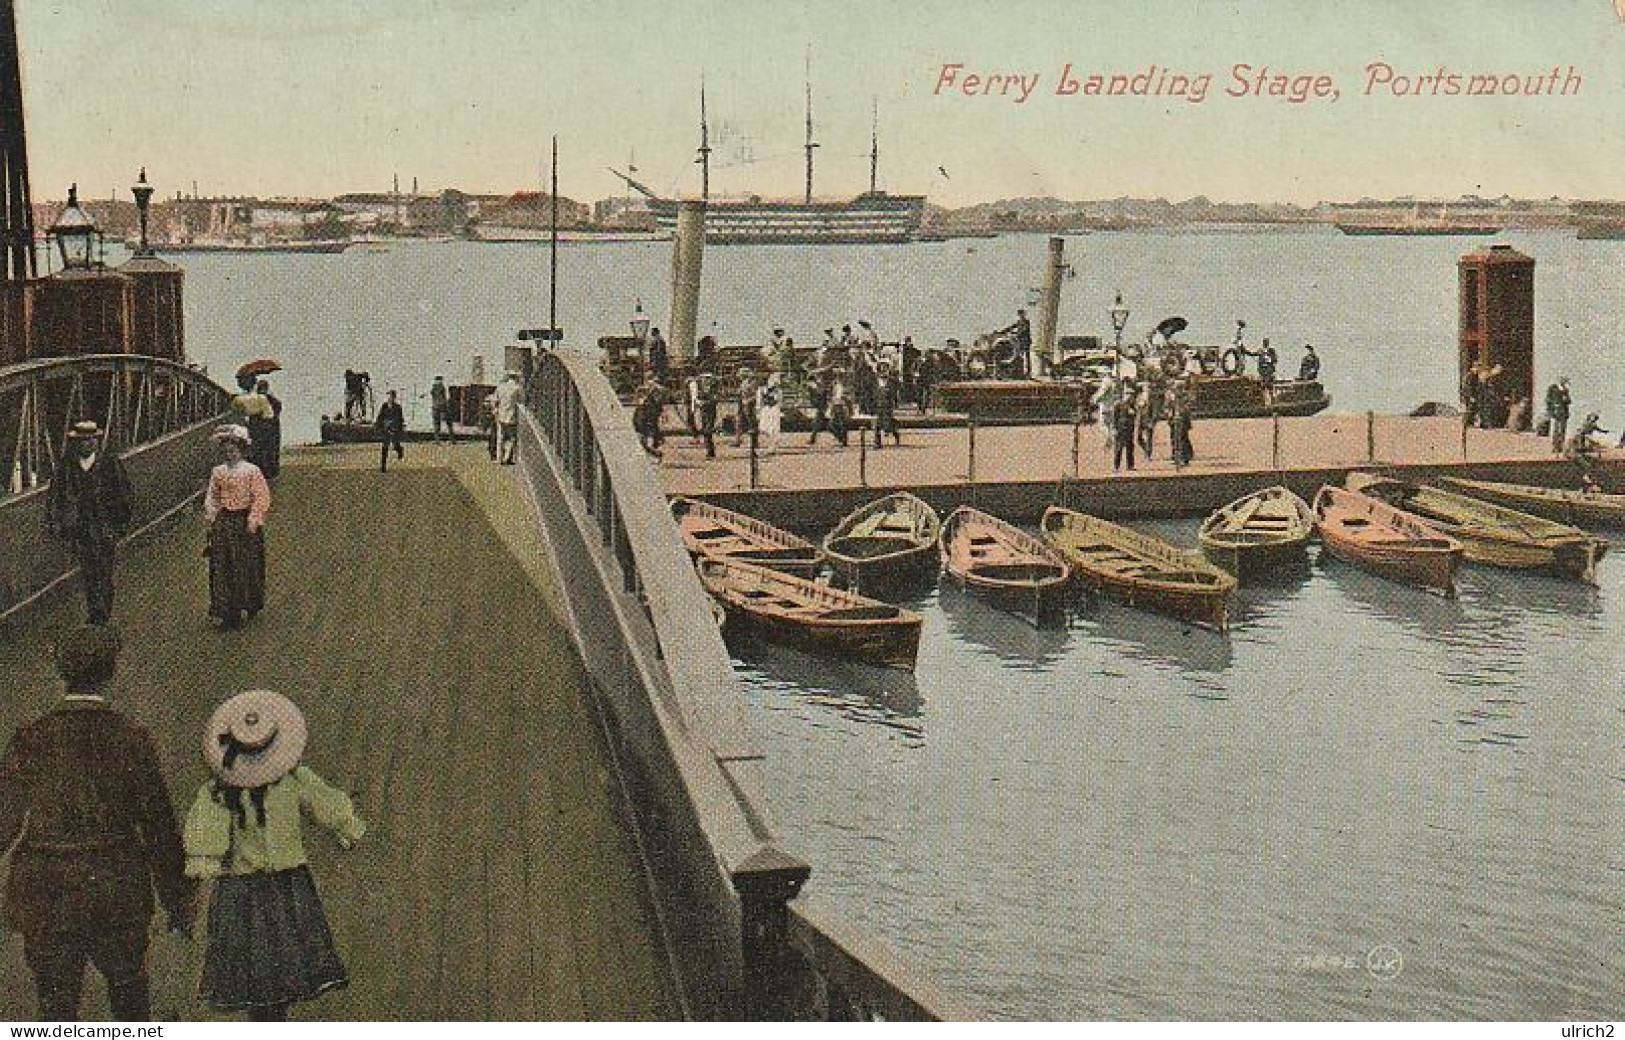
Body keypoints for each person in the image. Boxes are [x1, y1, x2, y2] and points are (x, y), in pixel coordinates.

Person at [0, 624, 194, 1022]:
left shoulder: (30, 738)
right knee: (129, 996)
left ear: (61, 672)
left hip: (46, 891)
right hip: (116, 886)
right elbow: (159, 830)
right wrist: (178, 899)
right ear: (111, 671)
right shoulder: (132, 739)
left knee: (55, 1007)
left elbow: (4, 821)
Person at [184, 690, 364, 1022]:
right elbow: (330, 808)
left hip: (238, 894)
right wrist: (349, 828)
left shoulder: (216, 791)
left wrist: (204, 864)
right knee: (284, 969)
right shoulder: (294, 780)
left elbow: (203, 836)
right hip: (287, 888)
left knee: (252, 976)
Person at [46, 422, 133, 626]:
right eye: (83, 440)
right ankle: (96, 612)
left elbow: (123, 495)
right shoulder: (67, 466)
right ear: (76, 443)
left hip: (105, 528)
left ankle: (101, 615)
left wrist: (120, 526)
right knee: (88, 572)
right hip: (81, 529)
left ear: (97, 441)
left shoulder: (109, 464)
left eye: (92, 439)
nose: (88, 444)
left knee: (104, 571)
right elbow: (55, 496)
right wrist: (58, 524)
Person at [204, 425, 271, 629]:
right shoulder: (219, 472)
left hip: (244, 521)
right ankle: (226, 610)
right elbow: (212, 497)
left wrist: (254, 520)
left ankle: (246, 603)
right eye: (226, 450)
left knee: (244, 564)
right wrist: (213, 516)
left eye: (233, 450)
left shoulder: (251, 471)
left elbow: (261, 496)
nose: (229, 453)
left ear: (241, 450)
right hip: (225, 522)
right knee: (222, 566)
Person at [492, 371, 522, 464]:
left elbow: (494, 401)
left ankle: (499, 458)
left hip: (501, 414)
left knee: (500, 437)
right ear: (516, 377)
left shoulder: (500, 387)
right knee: (512, 438)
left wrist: (495, 410)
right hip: (512, 415)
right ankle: (507, 457)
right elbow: (521, 402)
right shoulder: (517, 388)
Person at [633, 378, 667, 456]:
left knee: (649, 432)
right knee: (646, 432)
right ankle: (653, 448)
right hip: (645, 417)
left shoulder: (658, 391)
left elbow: (659, 405)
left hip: (649, 417)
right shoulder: (645, 391)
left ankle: (653, 450)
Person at [873, 361, 901, 448]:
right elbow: (872, 393)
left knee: (889, 423)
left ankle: (896, 435)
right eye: (881, 369)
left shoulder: (892, 381)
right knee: (877, 424)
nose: (883, 371)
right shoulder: (875, 381)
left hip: (888, 405)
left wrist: (895, 402)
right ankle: (877, 442)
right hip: (878, 405)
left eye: (885, 368)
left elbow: (895, 393)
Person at [376, 389, 405, 472]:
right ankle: (383, 466)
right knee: (385, 447)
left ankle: (400, 450)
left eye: (391, 397)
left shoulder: (398, 407)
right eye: (388, 397)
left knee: (396, 445)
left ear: (394, 398)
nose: (389, 398)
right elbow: (380, 416)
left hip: (394, 429)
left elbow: (400, 419)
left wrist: (398, 428)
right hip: (386, 429)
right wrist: (378, 425)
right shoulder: (384, 406)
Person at [1113, 383, 1138, 471]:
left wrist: (1133, 411)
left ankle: (1130, 465)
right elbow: (1114, 417)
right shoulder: (1118, 404)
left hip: (1129, 429)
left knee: (1130, 447)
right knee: (1118, 448)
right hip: (1120, 428)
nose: (1130, 397)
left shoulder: (1133, 405)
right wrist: (1114, 428)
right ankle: (1116, 466)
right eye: (1128, 394)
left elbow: (1135, 416)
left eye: (1131, 395)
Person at [695, 372, 721, 459]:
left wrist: (703, 403)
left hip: (710, 411)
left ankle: (710, 452)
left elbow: (715, 400)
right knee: (705, 430)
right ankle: (709, 450)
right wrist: (698, 402)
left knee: (708, 431)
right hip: (703, 411)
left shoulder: (714, 390)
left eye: (707, 379)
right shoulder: (701, 390)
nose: (705, 381)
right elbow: (698, 398)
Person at [758, 374, 783, 455]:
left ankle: (773, 447)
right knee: (764, 429)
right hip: (765, 410)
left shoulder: (778, 391)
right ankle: (768, 446)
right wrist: (759, 410)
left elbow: (779, 402)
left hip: (774, 410)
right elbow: (759, 401)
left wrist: (778, 410)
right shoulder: (761, 390)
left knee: (774, 429)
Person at [734, 367, 759, 447]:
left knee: (752, 423)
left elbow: (756, 395)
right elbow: (741, 393)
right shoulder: (743, 382)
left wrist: (748, 401)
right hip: (742, 404)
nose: (739, 376)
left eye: (741, 374)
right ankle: (738, 440)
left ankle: (754, 443)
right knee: (739, 422)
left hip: (749, 405)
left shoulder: (752, 382)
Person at [1546, 377, 1571, 454]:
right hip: (1556, 413)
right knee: (1556, 429)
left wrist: (1566, 399)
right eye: (1564, 381)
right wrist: (1551, 409)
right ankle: (1555, 447)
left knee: (1562, 429)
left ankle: (1561, 446)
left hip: (1563, 412)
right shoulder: (1553, 388)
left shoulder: (1565, 390)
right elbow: (1548, 400)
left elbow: (1569, 401)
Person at [429, 375, 454, 442]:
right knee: (448, 423)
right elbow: (448, 397)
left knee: (436, 424)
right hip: (443, 407)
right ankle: (452, 439)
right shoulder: (443, 387)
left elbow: (431, 396)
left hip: (435, 407)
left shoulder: (433, 388)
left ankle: (437, 440)